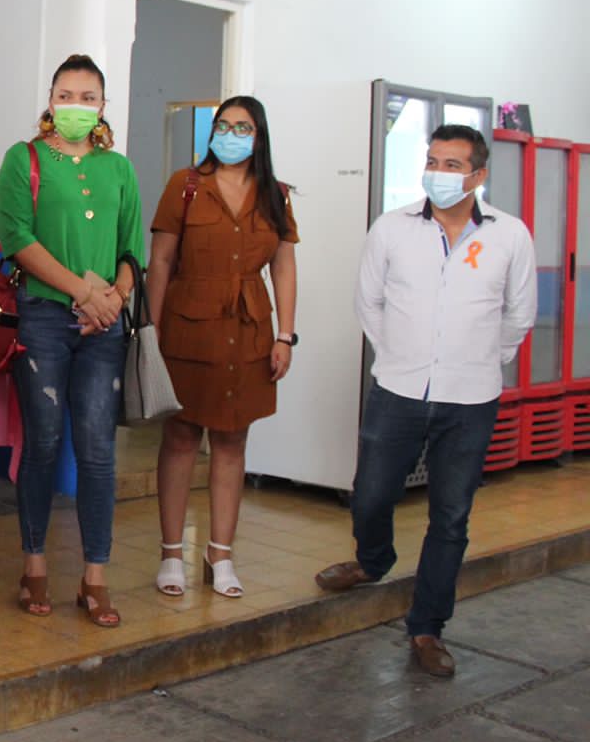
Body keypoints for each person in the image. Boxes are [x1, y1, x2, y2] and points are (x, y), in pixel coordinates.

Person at [316, 125, 535, 677]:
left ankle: (427, 627)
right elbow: (368, 301)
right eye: (432, 161)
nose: (438, 173)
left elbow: (519, 314)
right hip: (398, 389)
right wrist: (397, 354)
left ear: (478, 176)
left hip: (471, 398)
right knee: (371, 495)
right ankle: (373, 560)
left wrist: (481, 360)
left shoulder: (510, 236)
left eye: (452, 165)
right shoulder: (392, 229)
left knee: (451, 516)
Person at [0, 54, 142, 627]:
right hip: (44, 319)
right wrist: (82, 291)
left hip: (104, 325)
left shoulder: (119, 168)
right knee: (44, 443)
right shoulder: (24, 158)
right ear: (50, 100)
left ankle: (94, 577)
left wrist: (113, 298)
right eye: (65, 95)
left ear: (102, 106)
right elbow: (17, 239)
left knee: (98, 451)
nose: (75, 106)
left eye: (87, 97)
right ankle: (33, 564)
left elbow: (132, 248)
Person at [147, 96, 299, 599]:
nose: (232, 135)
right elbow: (161, 261)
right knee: (182, 438)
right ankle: (172, 553)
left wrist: (285, 335)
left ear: (260, 137)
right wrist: (152, 333)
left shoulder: (276, 194)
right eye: (224, 125)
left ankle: (220, 554)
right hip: (187, 328)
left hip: (250, 331)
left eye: (243, 128)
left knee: (233, 441)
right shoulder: (186, 185)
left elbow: (283, 266)